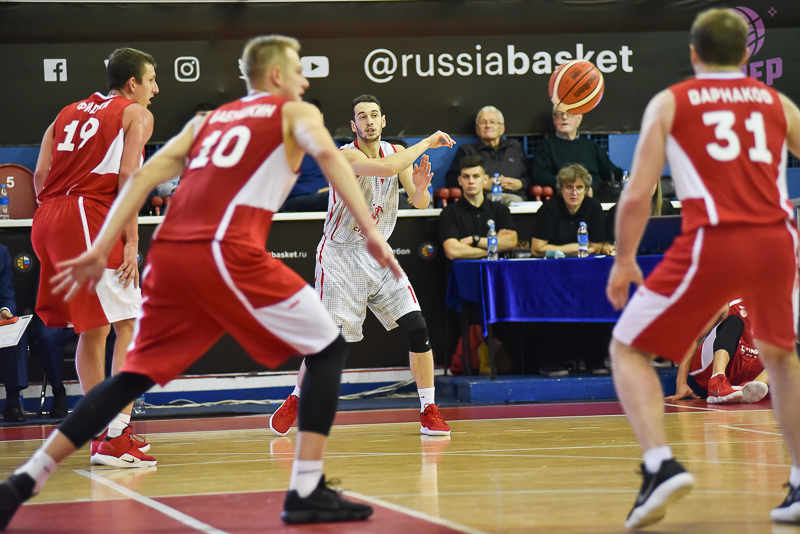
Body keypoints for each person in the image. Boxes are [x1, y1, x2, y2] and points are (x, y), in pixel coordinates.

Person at [0, 35, 401, 529]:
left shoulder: (205, 122)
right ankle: (306, 489)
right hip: (228, 252)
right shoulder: (297, 113)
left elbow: (140, 180)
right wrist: (373, 234)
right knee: (329, 346)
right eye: (298, 69)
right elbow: (341, 168)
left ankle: (25, 480)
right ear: (276, 75)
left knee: (132, 374)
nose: (305, 79)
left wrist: (105, 243)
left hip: (173, 256)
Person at [606, 9, 800, 528]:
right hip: (777, 241)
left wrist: (624, 259)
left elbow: (639, 193)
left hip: (714, 239)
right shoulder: (778, 103)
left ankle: (660, 465)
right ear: (746, 54)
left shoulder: (672, 101)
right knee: (782, 358)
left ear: (693, 54)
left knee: (626, 348)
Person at [269, 94, 456, 438]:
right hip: (340, 255)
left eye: (374, 115)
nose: (369, 121)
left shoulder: (395, 153)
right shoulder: (346, 155)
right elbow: (386, 170)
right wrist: (427, 142)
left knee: (417, 327)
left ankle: (428, 409)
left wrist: (421, 189)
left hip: (378, 254)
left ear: (383, 121)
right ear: (354, 126)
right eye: (362, 117)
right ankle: (297, 398)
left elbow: (420, 201)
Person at [31, 47, 157, 465]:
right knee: (131, 323)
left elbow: (40, 174)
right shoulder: (136, 114)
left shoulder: (65, 112)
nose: (156, 89)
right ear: (132, 83)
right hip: (87, 216)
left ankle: (105, 429)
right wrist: (132, 242)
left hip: (48, 217)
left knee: (96, 327)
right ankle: (116, 434)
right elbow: (130, 177)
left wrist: (57, 214)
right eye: (152, 80)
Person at [665, 299, 768, 405]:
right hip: (711, 366)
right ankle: (717, 380)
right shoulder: (730, 304)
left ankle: (752, 388)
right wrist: (681, 383)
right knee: (734, 321)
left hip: (746, 371)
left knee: (779, 354)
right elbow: (693, 339)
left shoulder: (774, 314)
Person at [445, 106, 529, 205]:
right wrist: (481, 184)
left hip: (515, 198)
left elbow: (531, 176)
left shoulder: (515, 147)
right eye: (483, 123)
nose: (488, 126)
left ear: (502, 128)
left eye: (493, 122)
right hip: (483, 200)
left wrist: (520, 184)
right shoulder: (467, 151)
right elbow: (452, 179)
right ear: (477, 129)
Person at [440, 156, 518, 260]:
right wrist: (494, 249)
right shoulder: (449, 212)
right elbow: (453, 251)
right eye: (466, 177)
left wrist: (475, 240)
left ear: (485, 179)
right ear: (460, 180)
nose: (471, 181)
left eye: (476, 176)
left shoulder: (500, 209)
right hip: (464, 270)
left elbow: (511, 242)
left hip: (495, 270)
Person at [532, 108, 624, 189]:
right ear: (554, 119)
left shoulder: (591, 146)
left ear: (579, 118)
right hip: (564, 196)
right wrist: (570, 185)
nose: (564, 117)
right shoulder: (546, 146)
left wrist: (627, 177)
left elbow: (612, 172)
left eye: (570, 114)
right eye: (559, 114)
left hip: (595, 196)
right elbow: (539, 175)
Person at [530, 164, 605, 258]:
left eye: (579, 187)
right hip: (553, 263)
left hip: (584, 263)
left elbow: (596, 249)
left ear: (586, 190)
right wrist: (575, 248)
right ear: (561, 189)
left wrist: (555, 249)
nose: (574, 193)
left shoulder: (594, 207)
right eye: (569, 187)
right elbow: (536, 250)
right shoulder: (548, 208)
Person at [603, 177, 679, 256]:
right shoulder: (618, 211)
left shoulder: (666, 207)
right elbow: (606, 245)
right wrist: (612, 248)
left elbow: (675, 238)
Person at [280, 98, 331, 213]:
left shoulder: (332, 145)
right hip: (299, 199)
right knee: (334, 197)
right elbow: (282, 183)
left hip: (329, 195)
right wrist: (316, 192)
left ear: (321, 117)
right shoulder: (288, 148)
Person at [0, 244, 28, 423]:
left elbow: (7, 294)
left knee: (17, 332)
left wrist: (5, 310)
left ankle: (13, 401)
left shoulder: (1, 252)